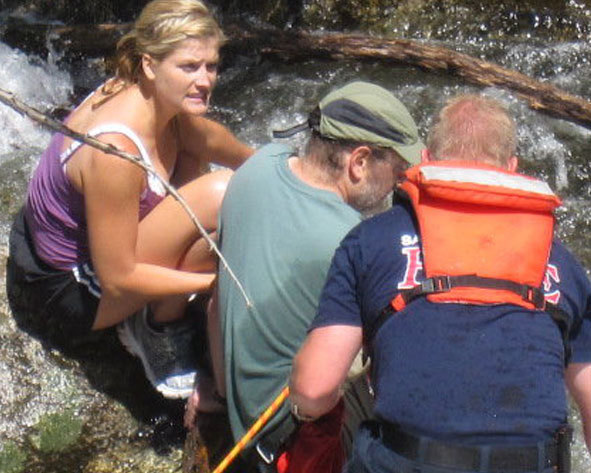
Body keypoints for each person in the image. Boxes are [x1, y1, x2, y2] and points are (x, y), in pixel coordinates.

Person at [290, 94, 591, 473]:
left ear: (428, 160)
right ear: (512, 169)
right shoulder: (564, 264)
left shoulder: (371, 241)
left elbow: (315, 389)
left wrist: (300, 411)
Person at [6, 0, 253, 402]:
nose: (205, 79)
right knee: (220, 201)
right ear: (150, 64)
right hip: (66, 293)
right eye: (189, 67)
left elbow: (212, 141)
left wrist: (281, 170)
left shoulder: (151, 95)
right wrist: (219, 284)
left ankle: (163, 305)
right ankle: (153, 328)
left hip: (69, 255)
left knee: (210, 178)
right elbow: (119, 278)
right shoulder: (116, 151)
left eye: (211, 65)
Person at [194, 81, 424, 472]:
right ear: (360, 162)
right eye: (398, 171)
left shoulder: (257, 167)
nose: (400, 184)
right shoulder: (353, 243)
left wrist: (217, 393)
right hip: (290, 439)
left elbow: (218, 302)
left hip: (242, 418)